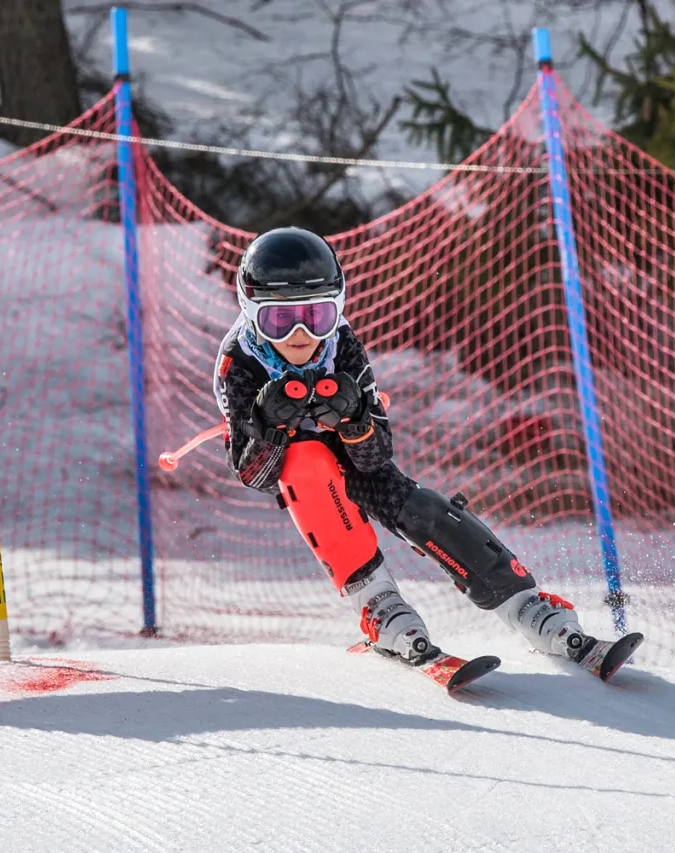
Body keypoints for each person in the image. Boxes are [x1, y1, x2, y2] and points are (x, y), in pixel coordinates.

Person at [213, 226, 599, 665]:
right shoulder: (238, 363)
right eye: (279, 320)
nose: (301, 333)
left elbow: (377, 456)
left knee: (416, 506)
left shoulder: (342, 346)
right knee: (306, 461)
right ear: (251, 314)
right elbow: (253, 475)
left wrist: (356, 420)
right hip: (295, 460)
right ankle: (378, 603)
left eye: (317, 316)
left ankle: (525, 604)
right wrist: (269, 427)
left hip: (343, 445)